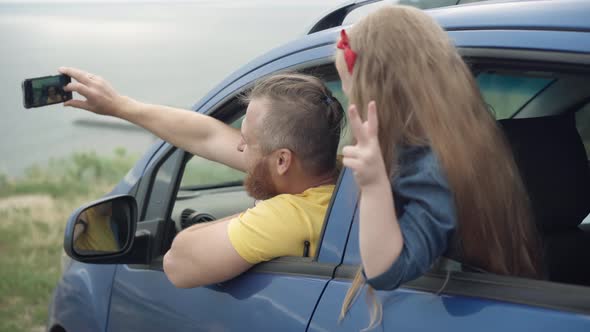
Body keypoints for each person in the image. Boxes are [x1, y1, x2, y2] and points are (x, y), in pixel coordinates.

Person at [334, 5, 543, 326]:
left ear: (374, 92)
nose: (350, 99)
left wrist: (374, 184)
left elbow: (387, 272)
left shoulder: (426, 164)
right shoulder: (468, 143)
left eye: (349, 88)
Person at [58, 67, 344, 288]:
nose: (240, 148)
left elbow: (177, 263)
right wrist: (118, 105)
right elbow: (208, 136)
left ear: (282, 160)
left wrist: (258, 211)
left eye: (247, 140)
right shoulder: (350, 176)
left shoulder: (287, 218)